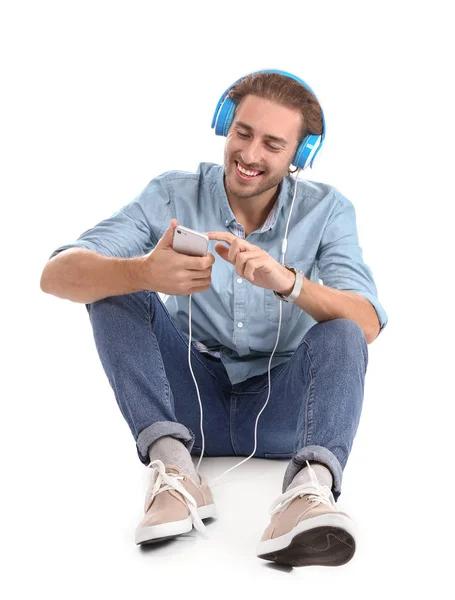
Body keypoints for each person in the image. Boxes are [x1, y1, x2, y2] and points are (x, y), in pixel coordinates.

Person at [40, 70, 388, 568]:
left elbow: (368, 323)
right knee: (114, 287)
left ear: (300, 155)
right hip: (188, 407)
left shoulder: (328, 211)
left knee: (342, 330)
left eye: (272, 143)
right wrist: (144, 270)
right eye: (243, 133)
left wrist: (290, 283)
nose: (250, 154)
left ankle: (309, 494)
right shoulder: (171, 195)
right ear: (225, 125)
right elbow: (56, 275)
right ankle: (176, 473)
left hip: (283, 412)